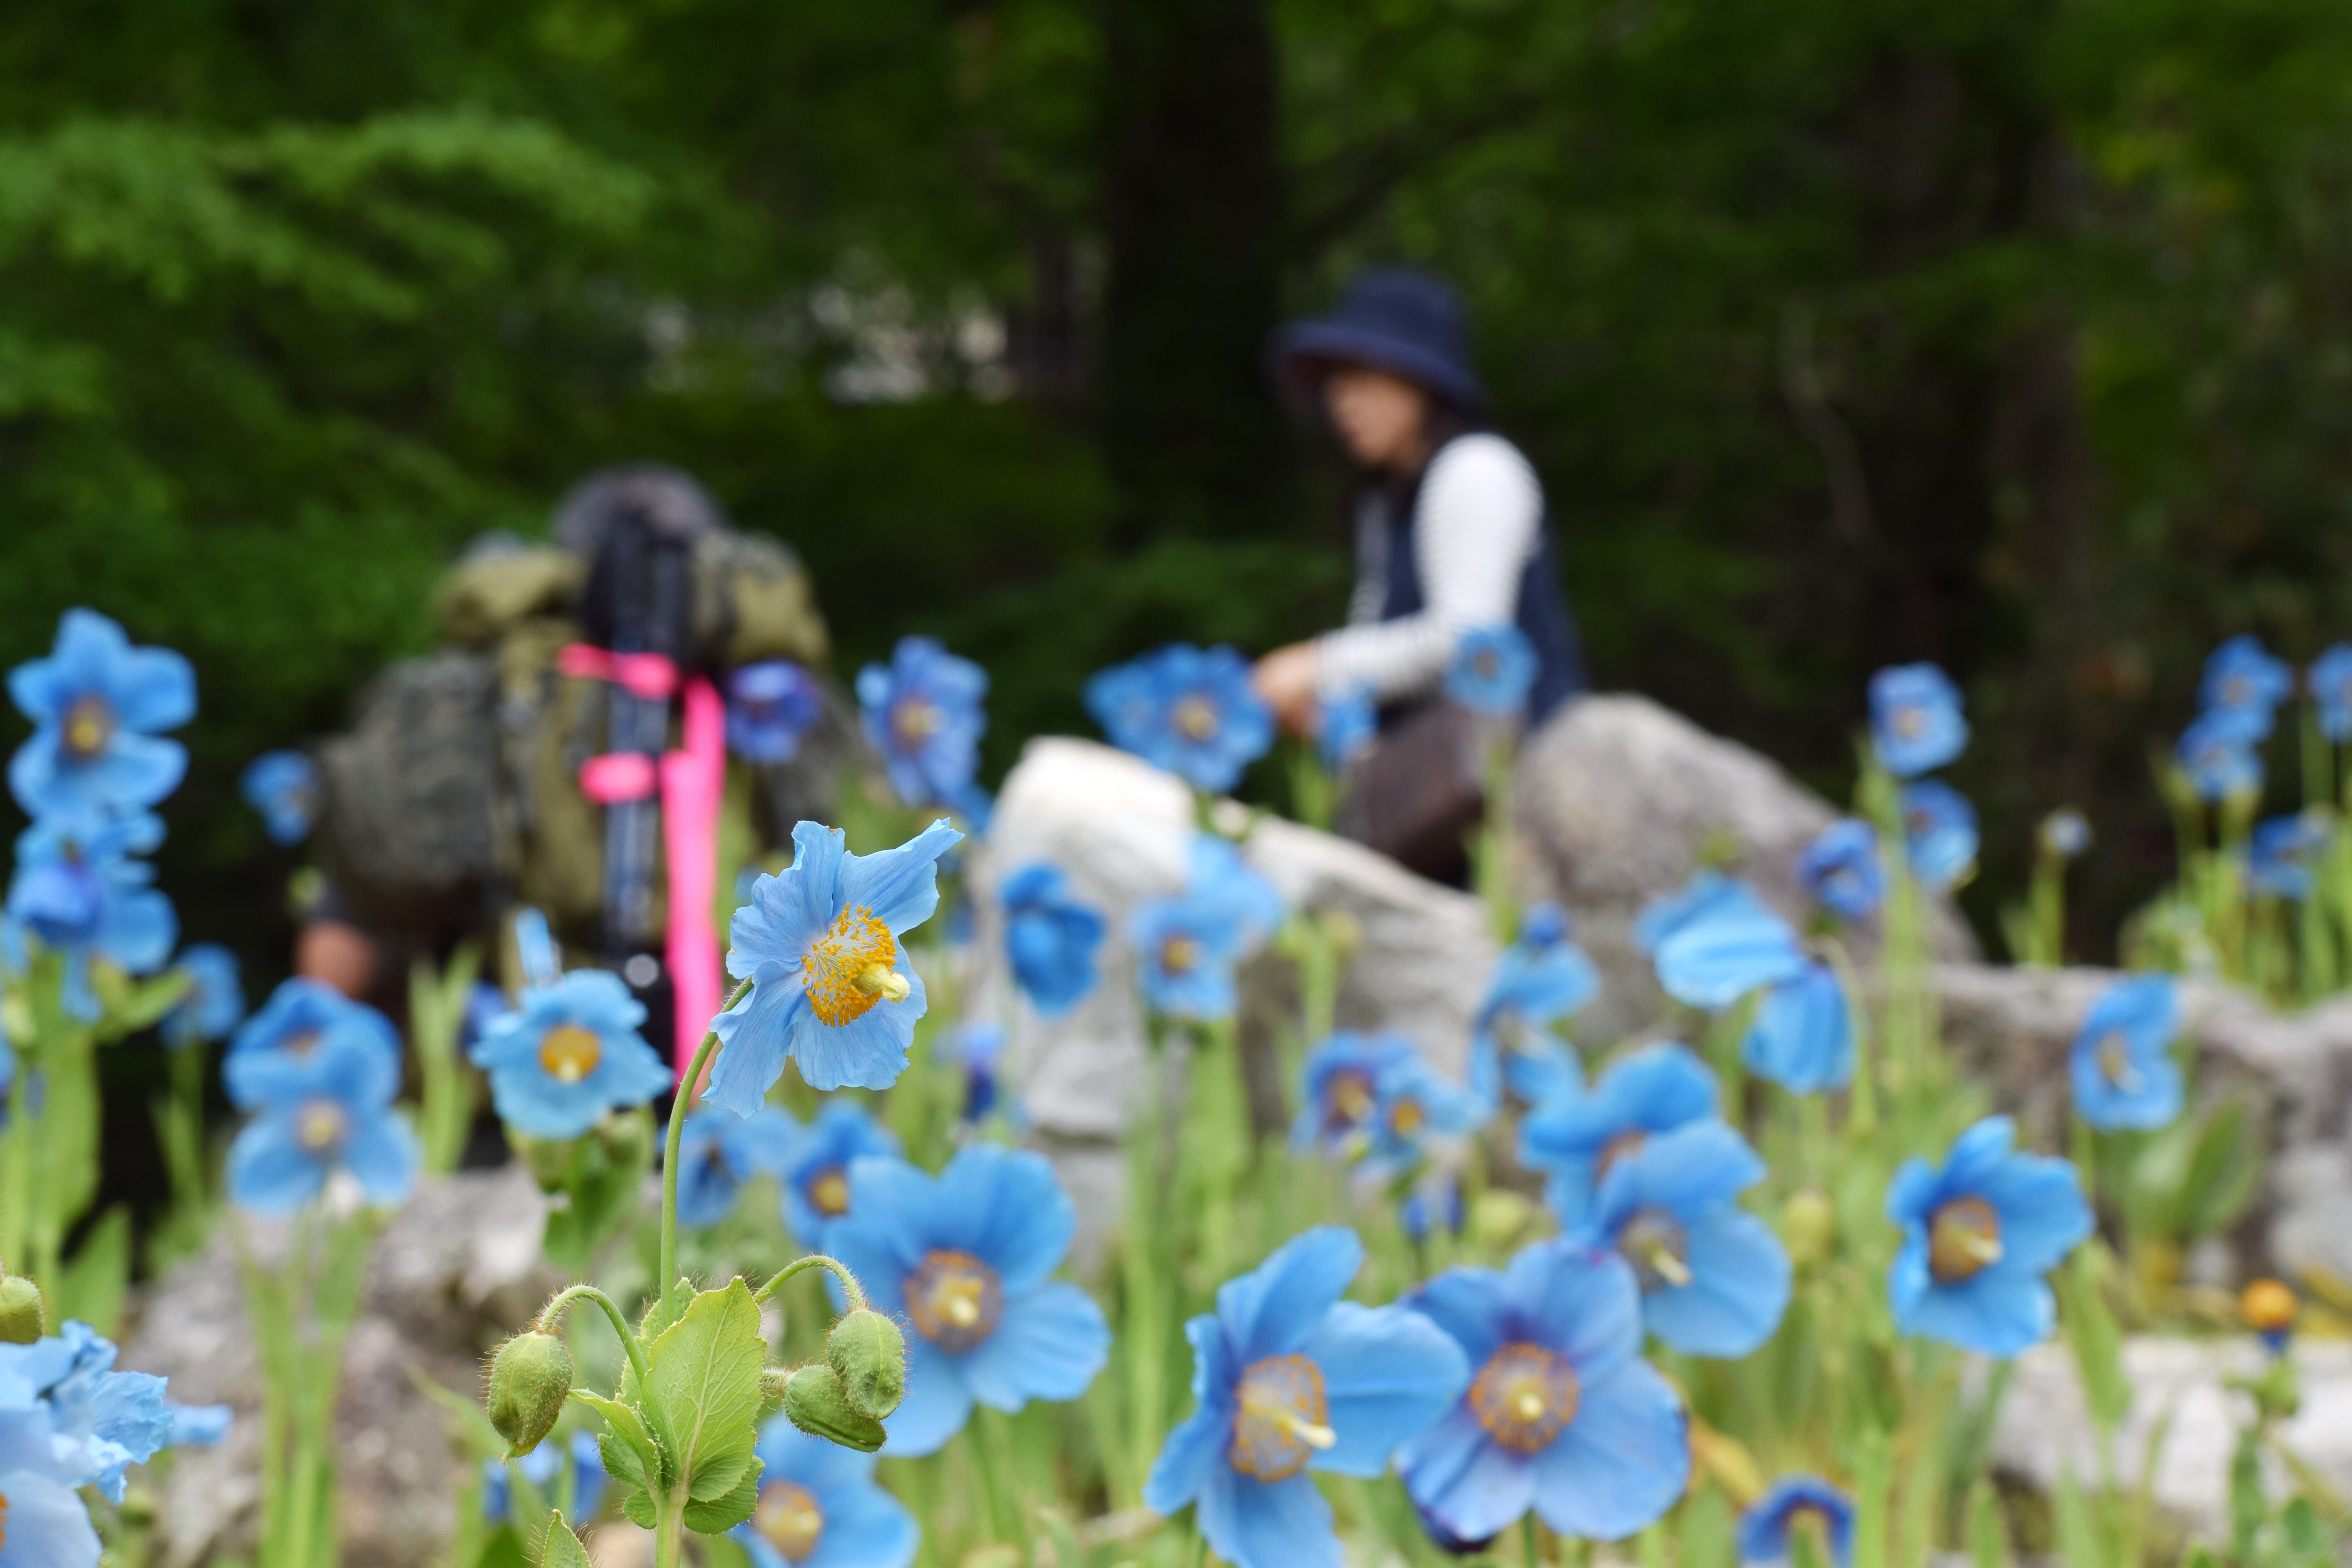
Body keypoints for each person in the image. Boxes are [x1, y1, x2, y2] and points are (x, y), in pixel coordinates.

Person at [1254, 268, 1587, 871]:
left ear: (1421, 380)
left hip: (1526, 811)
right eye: (1332, 382)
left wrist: (1314, 665)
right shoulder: (1383, 506)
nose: (1340, 401)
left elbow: (1466, 639)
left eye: (1360, 375)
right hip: (1438, 819)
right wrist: (1327, 716)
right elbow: (1384, 667)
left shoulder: (1477, 469)